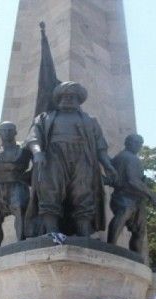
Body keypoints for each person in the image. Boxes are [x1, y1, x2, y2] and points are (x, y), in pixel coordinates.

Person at [24, 80, 116, 237]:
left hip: (83, 157)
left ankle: (84, 232)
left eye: (72, 96)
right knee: (50, 190)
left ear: (79, 99)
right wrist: (38, 152)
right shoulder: (44, 117)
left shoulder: (90, 120)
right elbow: (33, 138)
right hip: (53, 156)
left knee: (83, 191)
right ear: (58, 98)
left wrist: (108, 165)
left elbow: (100, 146)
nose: (68, 99)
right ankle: (51, 230)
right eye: (64, 96)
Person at [107, 134, 156, 257]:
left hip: (133, 198)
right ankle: (111, 246)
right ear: (128, 143)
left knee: (139, 230)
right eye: (137, 143)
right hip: (126, 196)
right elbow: (133, 180)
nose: (139, 146)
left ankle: (136, 256)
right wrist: (151, 194)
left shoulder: (120, 157)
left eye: (140, 144)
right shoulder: (130, 158)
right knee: (123, 216)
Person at [0, 121, 32, 249]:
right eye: (4, 130)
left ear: (15, 132)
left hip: (17, 185)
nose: (7, 133)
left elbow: (38, 166)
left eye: (10, 130)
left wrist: (27, 177)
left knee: (20, 210)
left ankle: (21, 245)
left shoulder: (24, 149)